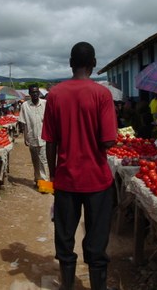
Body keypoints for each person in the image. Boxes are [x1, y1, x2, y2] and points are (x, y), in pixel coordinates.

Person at [42, 42, 117, 290]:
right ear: (93, 63)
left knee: (64, 239)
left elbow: (50, 141)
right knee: (96, 243)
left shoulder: (55, 94)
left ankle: (67, 286)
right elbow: (108, 140)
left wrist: (54, 174)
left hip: (66, 180)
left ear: (70, 63)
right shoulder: (102, 94)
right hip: (97, 180)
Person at [18, 84, 48, 186]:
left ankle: (44, 183)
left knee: (43, 160)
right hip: (32, 137)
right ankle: (37, 179)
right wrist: (25, 138)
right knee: (35, 160)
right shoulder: (25, 106)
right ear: (29, 94)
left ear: (39, 93)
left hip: (44, 137)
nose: (35, 94)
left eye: (36, 92)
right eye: (33, 92)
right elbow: (23, 123)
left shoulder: (45, 104)